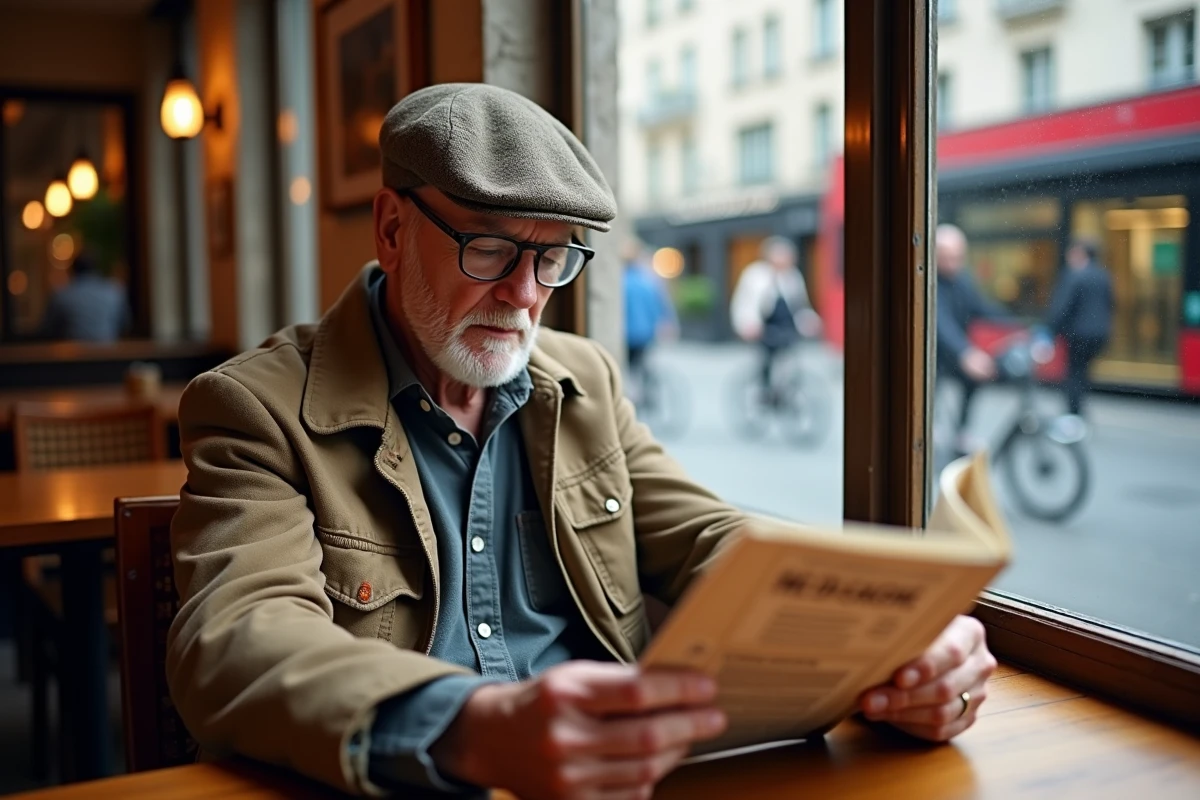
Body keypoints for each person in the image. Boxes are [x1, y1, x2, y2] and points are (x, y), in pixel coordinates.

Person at [168, 83, 997, 799]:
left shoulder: (584, 379)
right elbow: (240, 636)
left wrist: (888, 643)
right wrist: (473, 726)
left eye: (554, 259)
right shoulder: (255, 408)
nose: (525, 296)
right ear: (392, 228)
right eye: (489, 248)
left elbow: (708, 535)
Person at [934, 224, 1011, 450]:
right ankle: (929, 424)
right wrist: (965, 352)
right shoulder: (929, 279)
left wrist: (1017, 325)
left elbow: (981, 307)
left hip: (956, 349)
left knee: (974, 380)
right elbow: (940, 321)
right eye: (946, 257)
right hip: (935, 351)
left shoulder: (962, 279)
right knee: (928, 384)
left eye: (958, 257)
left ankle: (962, 431)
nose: (953, 264)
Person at [729, 236, 821, 398]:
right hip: (764, 328)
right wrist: (747, 324)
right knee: (767, 360)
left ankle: (785, 391)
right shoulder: (755, 275)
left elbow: (800, 306)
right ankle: (765, 391)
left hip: (786, 326)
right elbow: (745, 303)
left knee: (789, 361)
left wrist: (810, 321)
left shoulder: (793, 277)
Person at [1044, 237, 1114, 417]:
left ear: (1079, 253)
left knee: (1073, 373)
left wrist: (1050, 332)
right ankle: (1079, 410)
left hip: (1078, 334)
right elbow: (1112, 304)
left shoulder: (1074, 276)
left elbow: (1061, 308)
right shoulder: (1103, 276)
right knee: (1082, 372)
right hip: (1100, 334)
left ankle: (1073, 415)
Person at [622, 241, 677, 400]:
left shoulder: (622, 282)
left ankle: (634, 395)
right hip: (646, 333)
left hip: (628, 333)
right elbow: (659, 307)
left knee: (630, 367)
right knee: (642, 365)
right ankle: (645, 392)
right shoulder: (648, 281)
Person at [38, 252, 131, 342]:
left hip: (72, 355)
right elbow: (125, 324)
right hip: (110, 354)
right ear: (96, 268)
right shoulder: (113, 292)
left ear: (72, 270)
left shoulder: (62, 295)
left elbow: (48, 330)